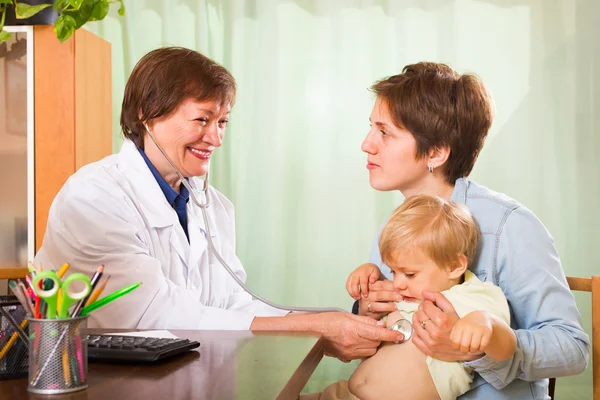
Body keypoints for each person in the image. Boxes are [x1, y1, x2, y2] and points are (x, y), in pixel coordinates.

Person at [33, 46, 402, 362]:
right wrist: (315, 328)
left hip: (184, 371)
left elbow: (234, 303)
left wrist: (328, 326)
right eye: (202, 120)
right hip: (99, 380)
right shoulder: (93, 197)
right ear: (147, 113)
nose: (216, 138)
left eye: (222, 122)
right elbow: (152, 313)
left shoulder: (214, 207)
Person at [352, 62, 590, 398]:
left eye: (384, 132)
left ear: (435, 152)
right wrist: (369, 312)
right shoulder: (395, 229)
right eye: (371, 129)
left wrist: (478, 347)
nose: (366, 144)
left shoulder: (509, 226)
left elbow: (572, 348)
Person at [304, 195, 516, 400]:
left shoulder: (471, 295)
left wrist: (485, 322)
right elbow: (375, 308)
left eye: (410, 274)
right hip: (342, 393)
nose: (397, 283)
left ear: (454, 266)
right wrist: (369, 273)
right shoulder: (407, 293)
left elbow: (507, 347)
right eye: (393, 272)